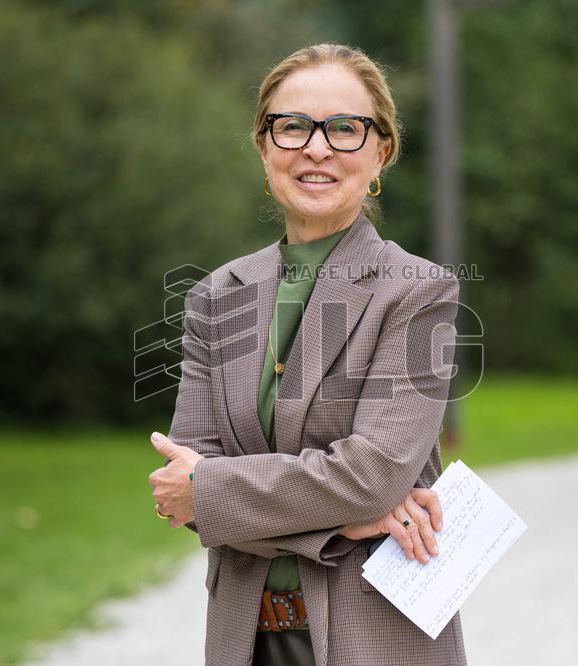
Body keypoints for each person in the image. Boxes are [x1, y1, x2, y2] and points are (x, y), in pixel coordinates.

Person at [148, 43, 465, 666]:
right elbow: (184, 491)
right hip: (246, 639)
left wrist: (219, 494)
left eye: (345, 128)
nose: (316, 148)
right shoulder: (217, 296)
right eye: (293, 126)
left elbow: (369, 475)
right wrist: (342, 522)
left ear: (381, 153)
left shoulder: (419, 291)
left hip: (371, 638)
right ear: (264, 147)